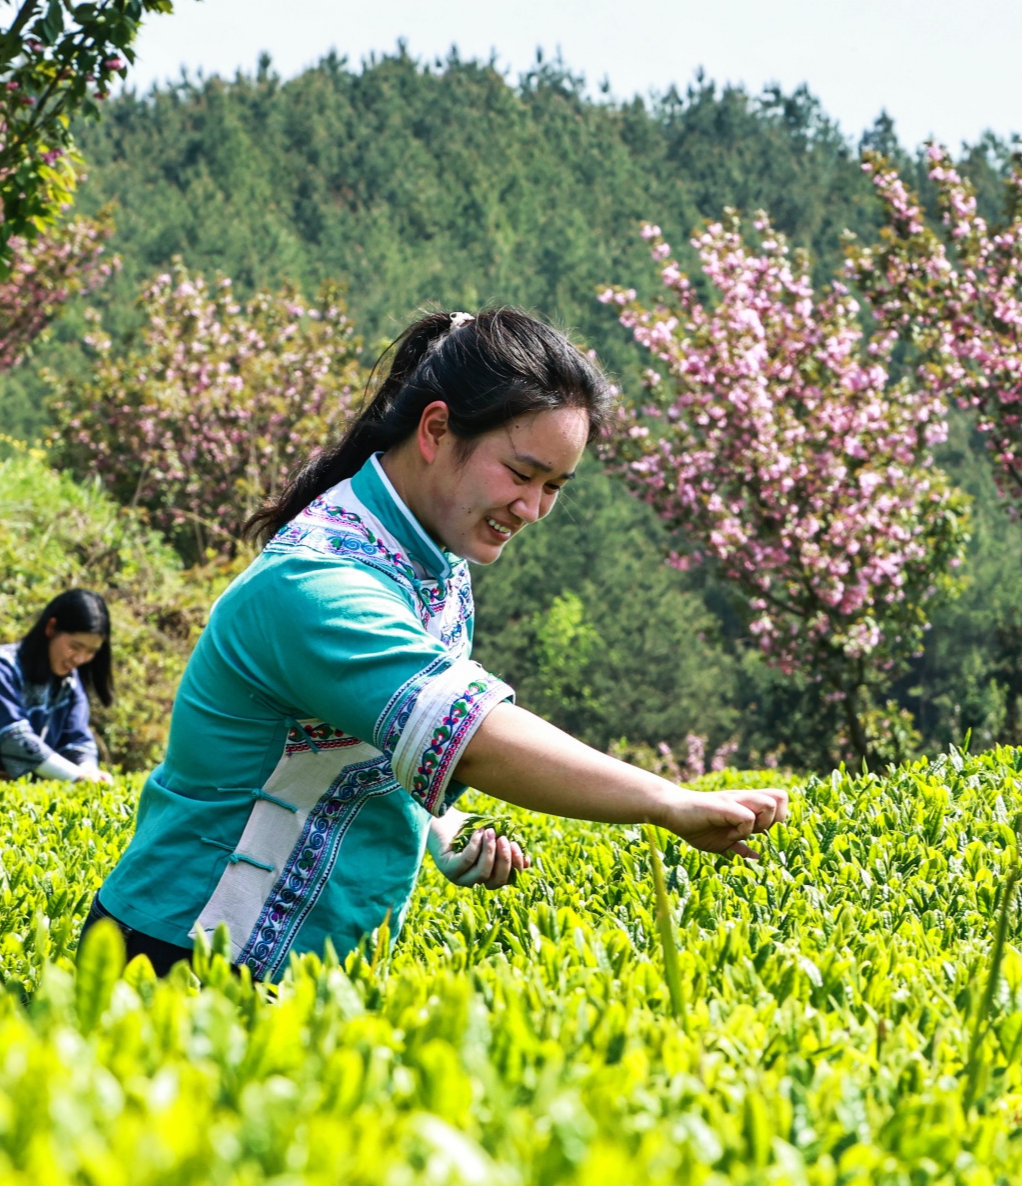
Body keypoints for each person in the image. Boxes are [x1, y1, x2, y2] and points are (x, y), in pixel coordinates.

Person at [87, 307, 787, 978]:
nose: (532, 509)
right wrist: (668, 801)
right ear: (436, 430)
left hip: (308, 968)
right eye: (519, 473)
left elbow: (380, 742)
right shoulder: (316, 585)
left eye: (554, 486)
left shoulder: (436, 565)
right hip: (180, 953)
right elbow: (467, 731)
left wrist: (445, 836)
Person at [0, 588, 115, 786]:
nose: (80, 659)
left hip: (14, 801)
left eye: (91, 651)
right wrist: (77, 777)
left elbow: (77, 741)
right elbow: (15, 740)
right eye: (75, 646)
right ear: (51, 628)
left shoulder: (70, 684)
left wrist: (89, 772)